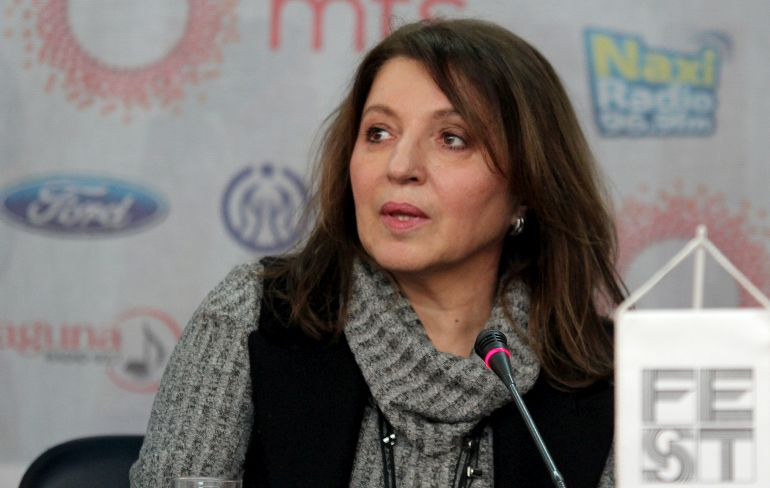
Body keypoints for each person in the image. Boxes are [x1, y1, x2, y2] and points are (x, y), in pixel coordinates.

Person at [130, 18, 625, 488]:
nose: (400, 166)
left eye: (452, 139)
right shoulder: (254, 320)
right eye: (379, 133)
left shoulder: (612, 380)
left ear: (526, 189)